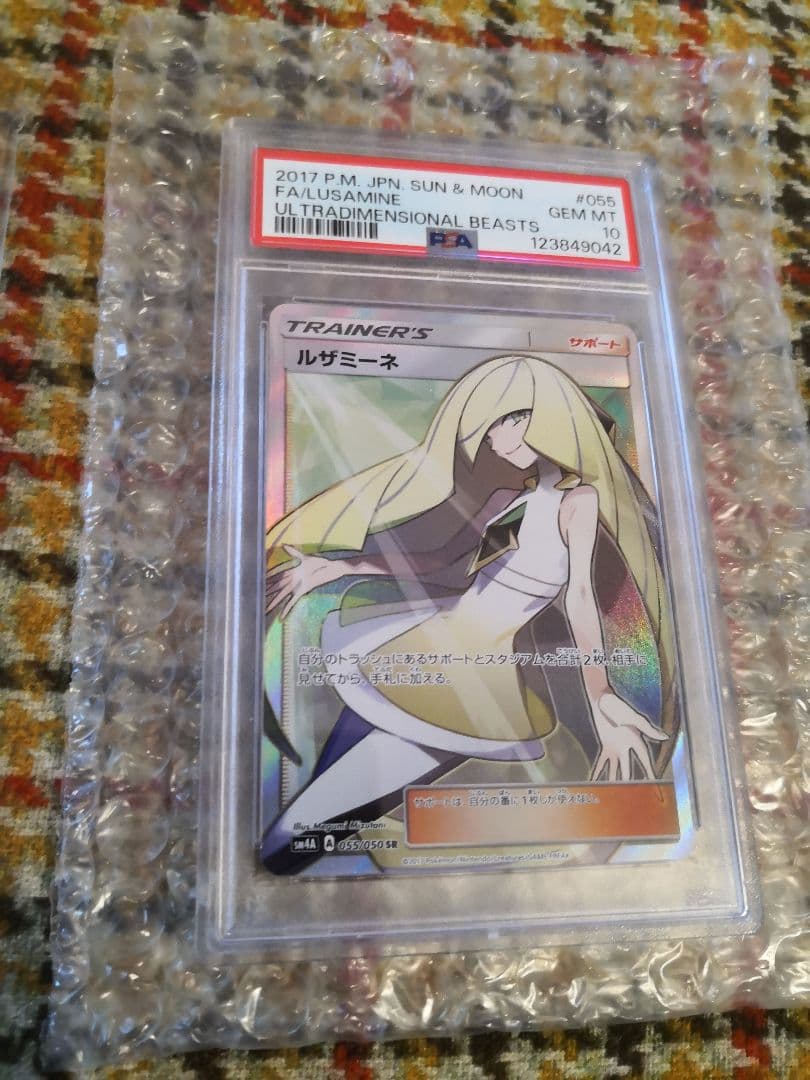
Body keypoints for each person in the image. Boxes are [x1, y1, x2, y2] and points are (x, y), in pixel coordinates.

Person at [261, 355, 676, 872]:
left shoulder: (580, 502)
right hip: (420, 641)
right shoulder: (509, 498)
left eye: (516, 417)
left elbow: (580, 600)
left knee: (322, 819)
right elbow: (443, 563)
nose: (499, 434)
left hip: (477, 678)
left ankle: (282, 867)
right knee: (311, 808)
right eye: (495, 421)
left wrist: (601, 696)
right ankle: (280, 865)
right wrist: (338, 567)